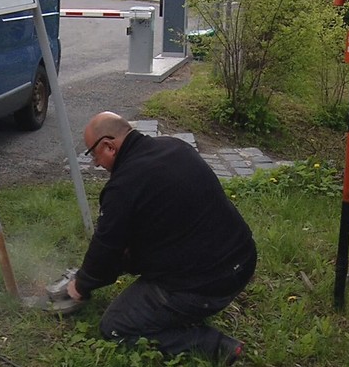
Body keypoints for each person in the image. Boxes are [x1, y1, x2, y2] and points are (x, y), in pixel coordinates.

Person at [67, 112, 256, 365]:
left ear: (109, 146)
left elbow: (106, 249)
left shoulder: (123, 187)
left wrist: (81, 286)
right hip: (242, 259)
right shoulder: (175, 147)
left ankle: (215, 346)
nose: (97, 164)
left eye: (94, 154)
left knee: (115, 325)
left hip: (211, 283)